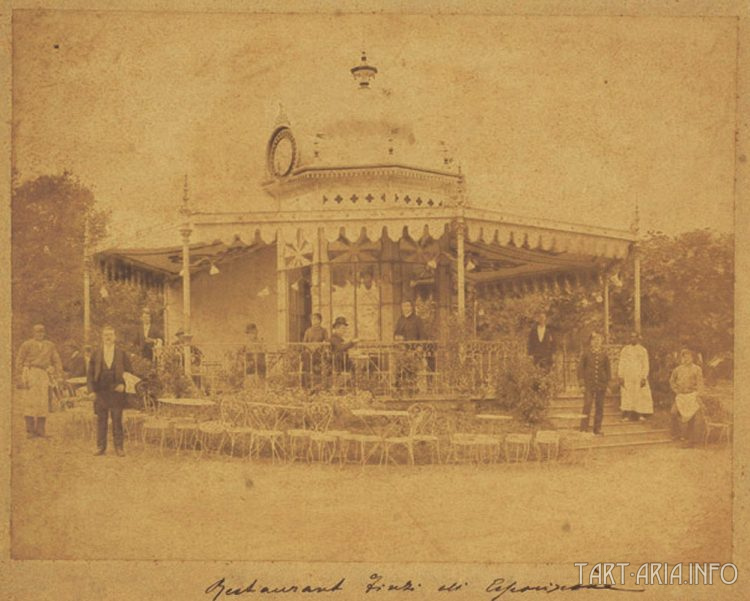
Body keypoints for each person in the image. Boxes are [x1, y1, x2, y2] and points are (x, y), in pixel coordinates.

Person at [88, 325, 133, 457]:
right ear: (102, 337)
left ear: (115, 337)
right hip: (101, 391)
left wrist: (124, 385)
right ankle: (101, 447)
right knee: (101, 419)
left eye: (110, 335)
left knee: (117, 419)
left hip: (116, 392)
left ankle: (119, 447)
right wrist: (91, 391)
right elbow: (90, 374)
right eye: (106, 335)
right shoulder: (96, 354)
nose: (108, 337)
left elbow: (130, 372)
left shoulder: (121, 353)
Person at [15, 324, 63, 438]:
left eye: (42, 332)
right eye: (37, 332)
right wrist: (19, 377)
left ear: (44, 333)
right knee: (30, 401)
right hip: (30, 372)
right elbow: (19, 361)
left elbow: (56, 360)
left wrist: (59, 374)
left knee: (43, 402)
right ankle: (30, 431)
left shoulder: (50, 345)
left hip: (44, 373)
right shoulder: (27, 344)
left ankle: (41, 430)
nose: (40, 334)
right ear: (33, 333)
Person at [577, 331, 611, 436]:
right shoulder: (586, 354)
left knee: (599, 407)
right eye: (594, 340)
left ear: (601, 341)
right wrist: (582, 384)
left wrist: (607, 385)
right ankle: (583, 428)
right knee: (587, 405)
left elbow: (608, 371)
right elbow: (580, 369)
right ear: (591, 342)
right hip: (589, 384)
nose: (596, 342)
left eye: (598, 340)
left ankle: (597, 429)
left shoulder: (604, 355)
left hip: (601, 384)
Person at [669, 349, 704, 447]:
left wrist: (698, 394)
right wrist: (676, 390)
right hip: (681, 395)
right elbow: (672, 381)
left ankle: (690, 439)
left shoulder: (697, 369)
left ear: (692, 358)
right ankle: (676, 434)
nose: (686, 358)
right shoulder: (678, 369)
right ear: (682, 358)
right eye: (684, 356)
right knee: (673, 412)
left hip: (692, 395)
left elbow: (700, 383)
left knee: (692, 416)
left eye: (689, 356)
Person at [394, 300, 430, 392]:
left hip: (414, 350)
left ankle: (416, 389)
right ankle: (401, 389)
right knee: (401, 369)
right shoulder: (400, 320)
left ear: (411, 307)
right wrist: (398, 338)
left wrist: (420, 346)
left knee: (415, 369)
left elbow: (423, 334)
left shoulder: (417, 320)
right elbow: (396, 333)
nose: (405, 308)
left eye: (407, 306)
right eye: (404, 306)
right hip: (403, 350)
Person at [617, 332, 654, 421]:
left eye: (634, 337)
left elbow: (645, 364)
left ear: (638, 338)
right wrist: (621, 376)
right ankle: (627, 415)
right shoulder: (625, 350)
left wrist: (644, 377)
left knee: (639, 394)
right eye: (631, 337)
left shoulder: (643, 350)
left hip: (638, 375)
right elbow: (621, 363)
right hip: (627, 375)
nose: (632, 339)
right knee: (627, 394)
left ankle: (640, 414)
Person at [303, 313, 328, 389]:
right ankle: (307, 385)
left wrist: (318, 346)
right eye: (312, 319)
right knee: (307, 368)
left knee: (318, 369)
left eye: (315, 319)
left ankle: (318, 386)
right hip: (309, 352)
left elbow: (326, 342)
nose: (313, 321)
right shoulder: (308, 331)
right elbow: (304, 342)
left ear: (319, 320)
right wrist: (310, 347)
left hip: (319, 353)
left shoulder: (323, 331)